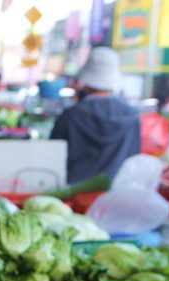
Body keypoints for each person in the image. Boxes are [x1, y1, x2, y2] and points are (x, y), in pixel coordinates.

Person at [50, 47, 140, 185]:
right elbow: (134, 159)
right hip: (115, 194)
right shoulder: (132, 116)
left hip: (72, 196)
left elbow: (53, 157)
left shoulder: (70, 116)